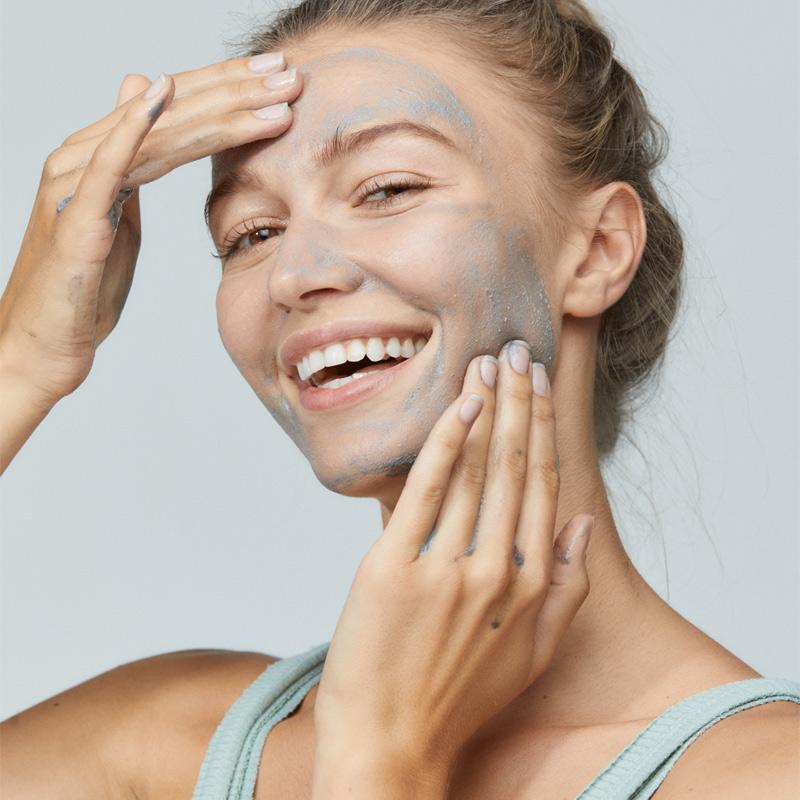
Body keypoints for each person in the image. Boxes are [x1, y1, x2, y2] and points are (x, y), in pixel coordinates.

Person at [1, 1, 798, 798]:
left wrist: (381, 758)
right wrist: (21, 363)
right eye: (250, 233)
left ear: (596, 250)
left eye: (387, 188)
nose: (292, 274)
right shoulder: (156, 749)